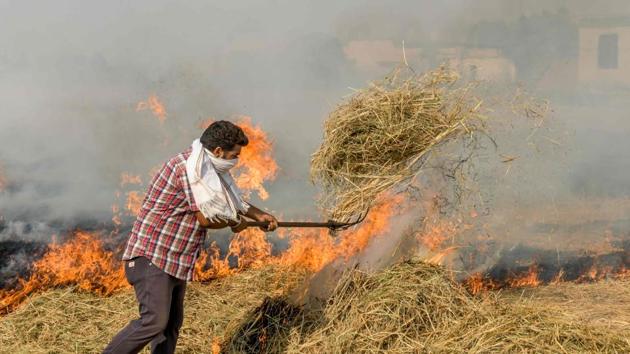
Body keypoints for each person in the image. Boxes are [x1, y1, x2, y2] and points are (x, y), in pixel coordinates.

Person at [103, 120, 278, 354]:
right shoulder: (187, 169)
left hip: (175, 261)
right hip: (152, 258)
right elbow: (206, 218)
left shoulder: (208, 171)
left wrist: (260, 215)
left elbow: (233, 201)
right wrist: (237, 223)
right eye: (234, 155)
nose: (236, 160)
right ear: (218, 151)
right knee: (154, 322)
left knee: (170, 326)